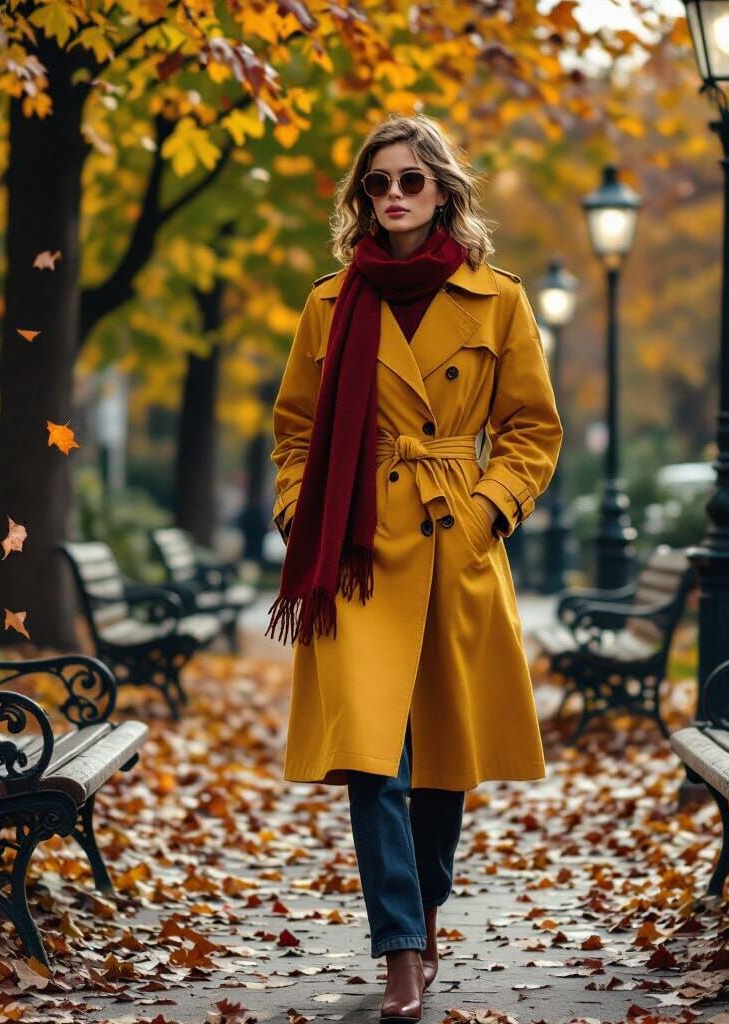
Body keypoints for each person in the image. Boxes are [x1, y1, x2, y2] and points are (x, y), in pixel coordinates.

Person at [267, 112, 563, 1023]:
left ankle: (426, 917)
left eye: (409, 181)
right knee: (373, 761)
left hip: (452, 546)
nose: (392, 197)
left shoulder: (498, 299)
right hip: (355, 550)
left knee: (441, 763)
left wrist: (483, 513)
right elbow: (296, 430)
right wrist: (298, 511)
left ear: (443, 191)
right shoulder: (329, 302)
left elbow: (531, 432)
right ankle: (398, 947)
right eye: (377, 184)